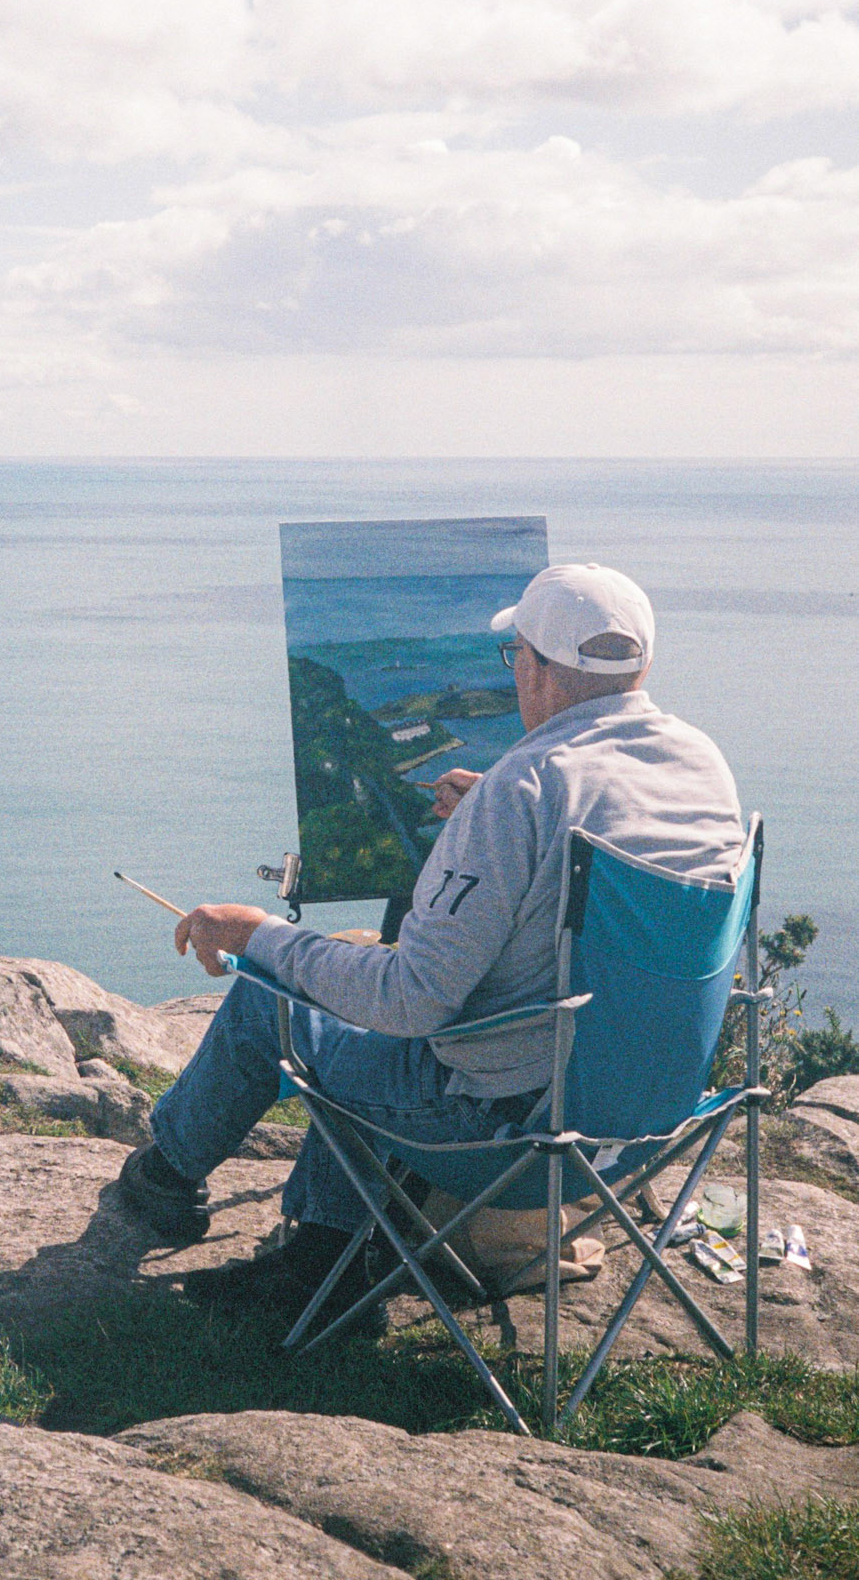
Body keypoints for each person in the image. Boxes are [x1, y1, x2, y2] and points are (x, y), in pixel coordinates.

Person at [117, 561, 747, 1329]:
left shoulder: (526, 790)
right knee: (352, 1016)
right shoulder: (701, 764)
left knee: (273, 996)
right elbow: (589, 845)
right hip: (651, 1120)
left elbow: (407, 1000)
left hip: (508, 1131)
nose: (514, 671)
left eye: (515, 655)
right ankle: (323, 1255)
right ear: (639, 667)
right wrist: (496, 815)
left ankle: (164, 1177)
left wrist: (260, 935)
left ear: (540, 671)